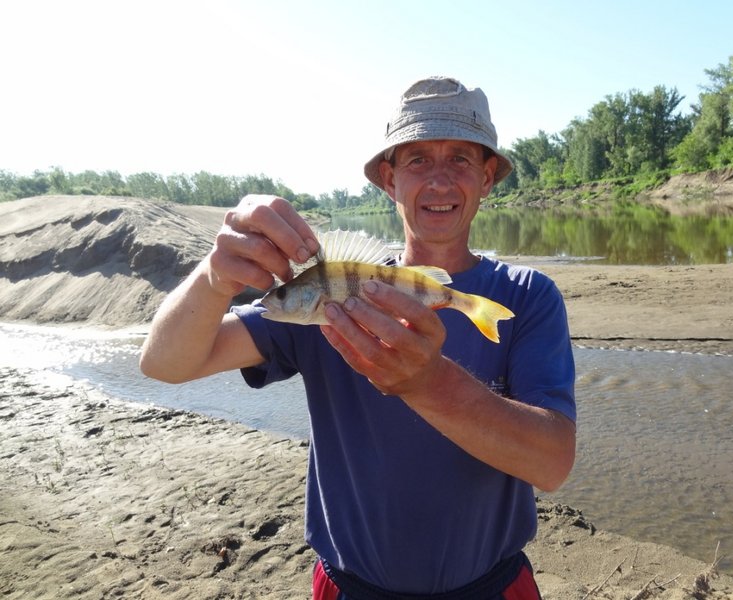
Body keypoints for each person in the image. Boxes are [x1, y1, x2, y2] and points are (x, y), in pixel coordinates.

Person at [140, 76, 576, 599]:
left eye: (460, 158)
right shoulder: (321, 300)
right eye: (417, 160)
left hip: (492, 586)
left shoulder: (527, 296)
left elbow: (551, 463)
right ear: (389, 180)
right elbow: (165, 364)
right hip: (350, 587)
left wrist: (428, 381)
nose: (438, 180)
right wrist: (214, 277)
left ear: (486, 178)